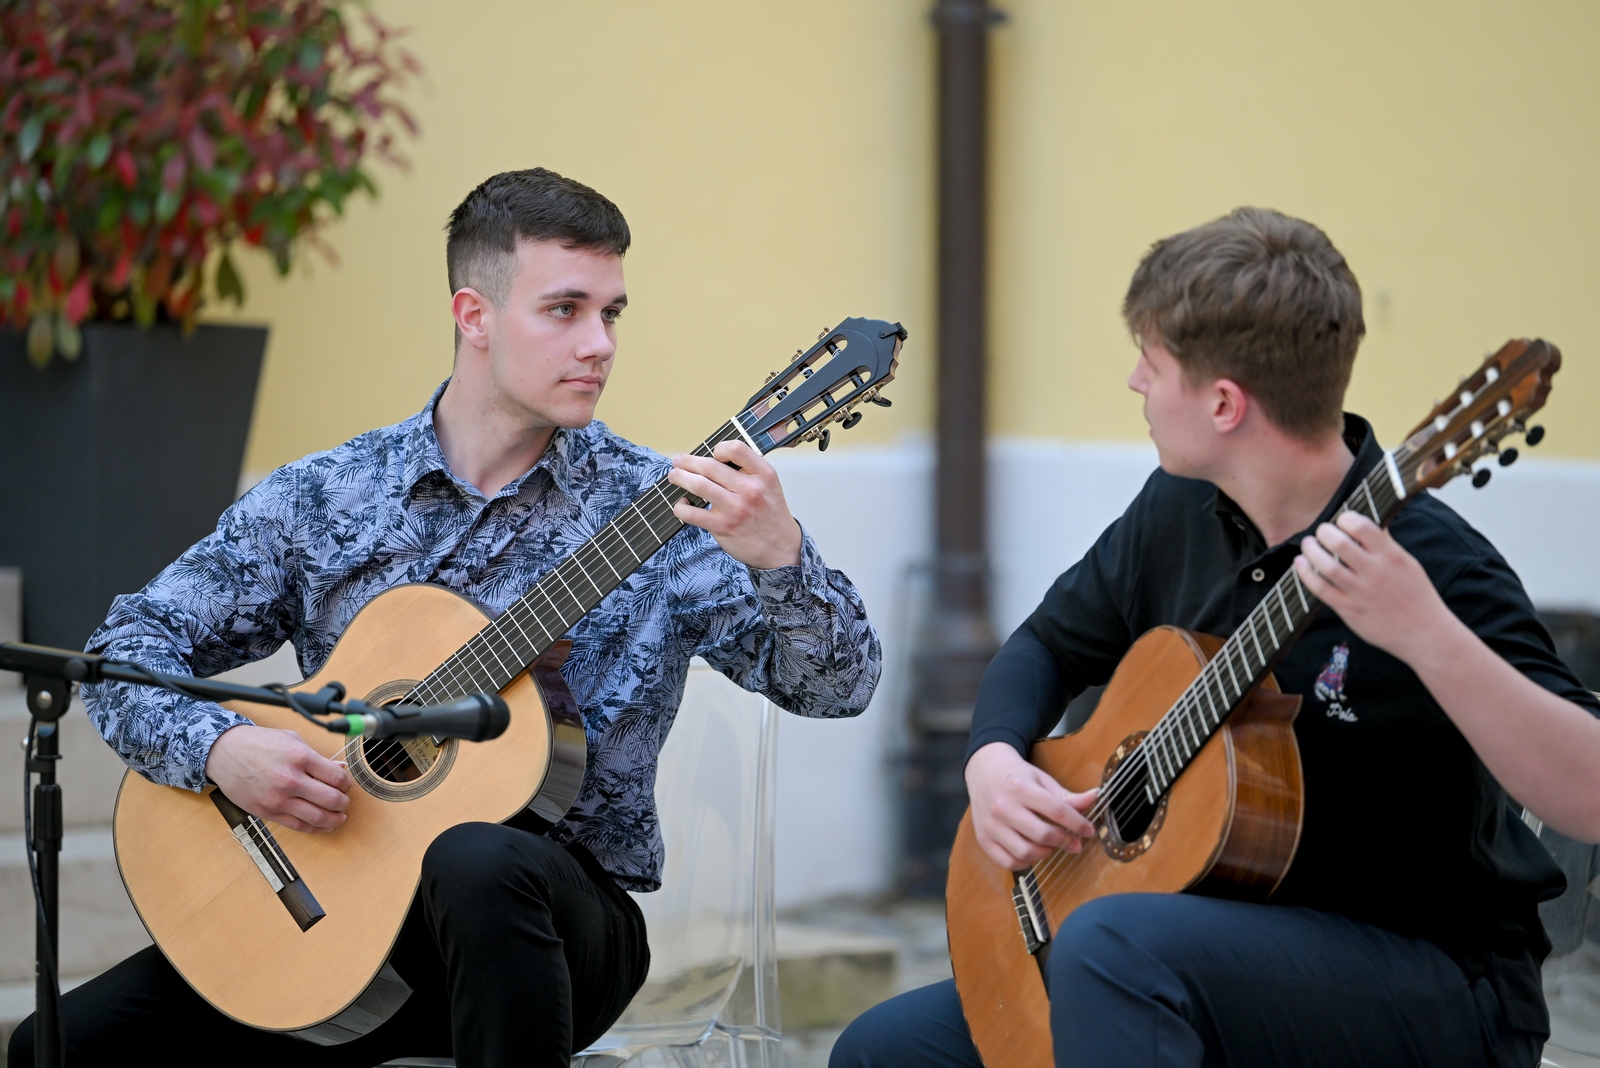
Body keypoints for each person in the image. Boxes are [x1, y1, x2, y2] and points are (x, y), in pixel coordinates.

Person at [8, 168, 882, 1068]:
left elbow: (839, 688)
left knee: (476, 858)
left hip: (554, 929)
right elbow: (126, 649)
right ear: (474, 316)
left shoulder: (665, 512)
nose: (598, 344)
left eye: (611, 313)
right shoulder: (328, 498)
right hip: (337, 909)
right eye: (565, 310)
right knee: (53, 1049)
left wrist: (783, 556)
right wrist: (221, 749)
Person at [833, 207, 1600, 1068]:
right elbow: (1048, 644)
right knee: (885, 1050)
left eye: (1152, 363)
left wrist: (1426, 635)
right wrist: (994, 760)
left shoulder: (1436, 568)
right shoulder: (1182, 508)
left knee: (1113, 947)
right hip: (1196, 952)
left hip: (1435, 986)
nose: (1135, 382)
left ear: (1224, 403)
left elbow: (1592, 793)